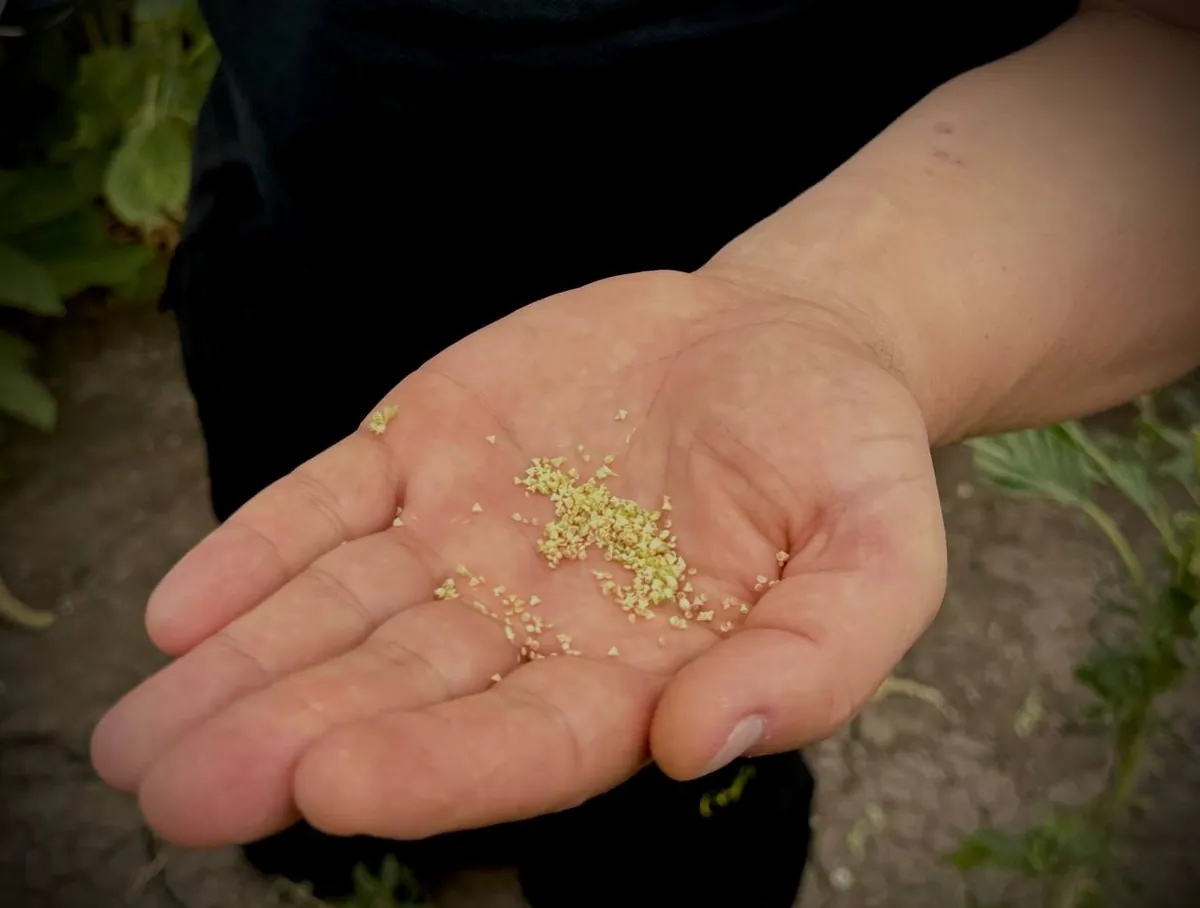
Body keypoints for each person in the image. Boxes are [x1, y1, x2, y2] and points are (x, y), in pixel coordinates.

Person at [90, 1, 1200, 905]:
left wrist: (843, 311)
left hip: (743, 376)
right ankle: (362, 864)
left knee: (670, 798)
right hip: (309, 260)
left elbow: (1167, 67)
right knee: (313, 727)